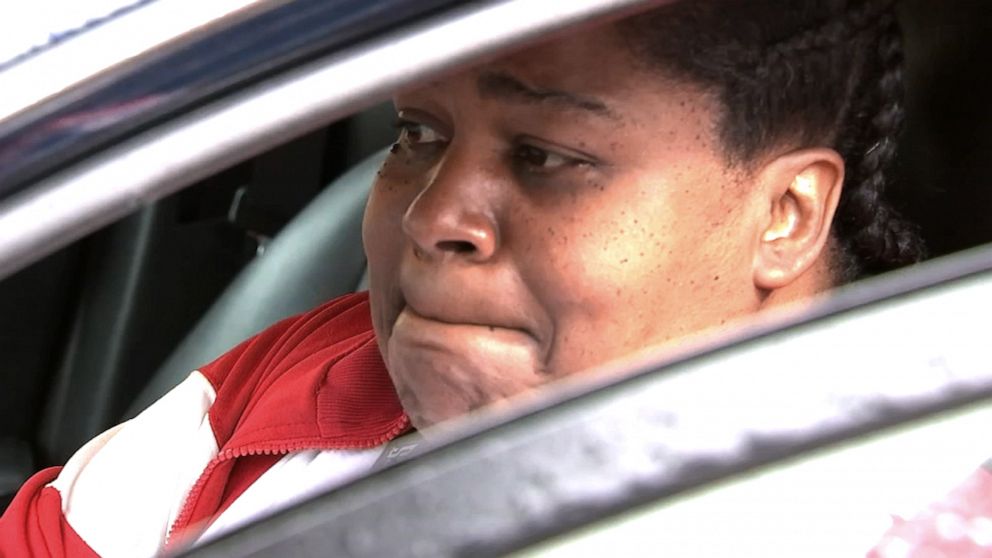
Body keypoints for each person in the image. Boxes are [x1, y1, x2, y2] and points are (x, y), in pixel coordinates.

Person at [1, 0, 935, 556]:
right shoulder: (300, 386)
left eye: (546, 155)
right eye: (418, 136)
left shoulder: (909, 510)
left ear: (788, 215)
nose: (433, 217)